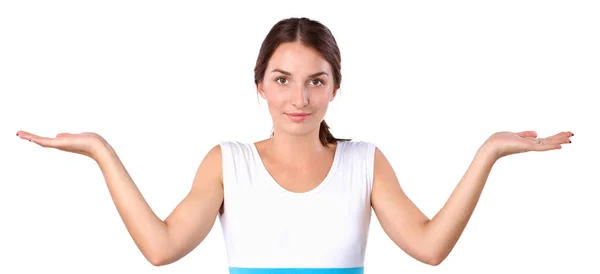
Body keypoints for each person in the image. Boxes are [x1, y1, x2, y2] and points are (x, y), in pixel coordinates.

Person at [16, 17, 573, 273]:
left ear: (335, 87)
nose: (298, 98)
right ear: (259, 85)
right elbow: (161, 248)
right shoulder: (228, 163)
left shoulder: (364, 163)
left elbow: (429, 247)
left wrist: (489, 154)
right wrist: (101, 152)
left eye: (315, 80)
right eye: (282, 79)